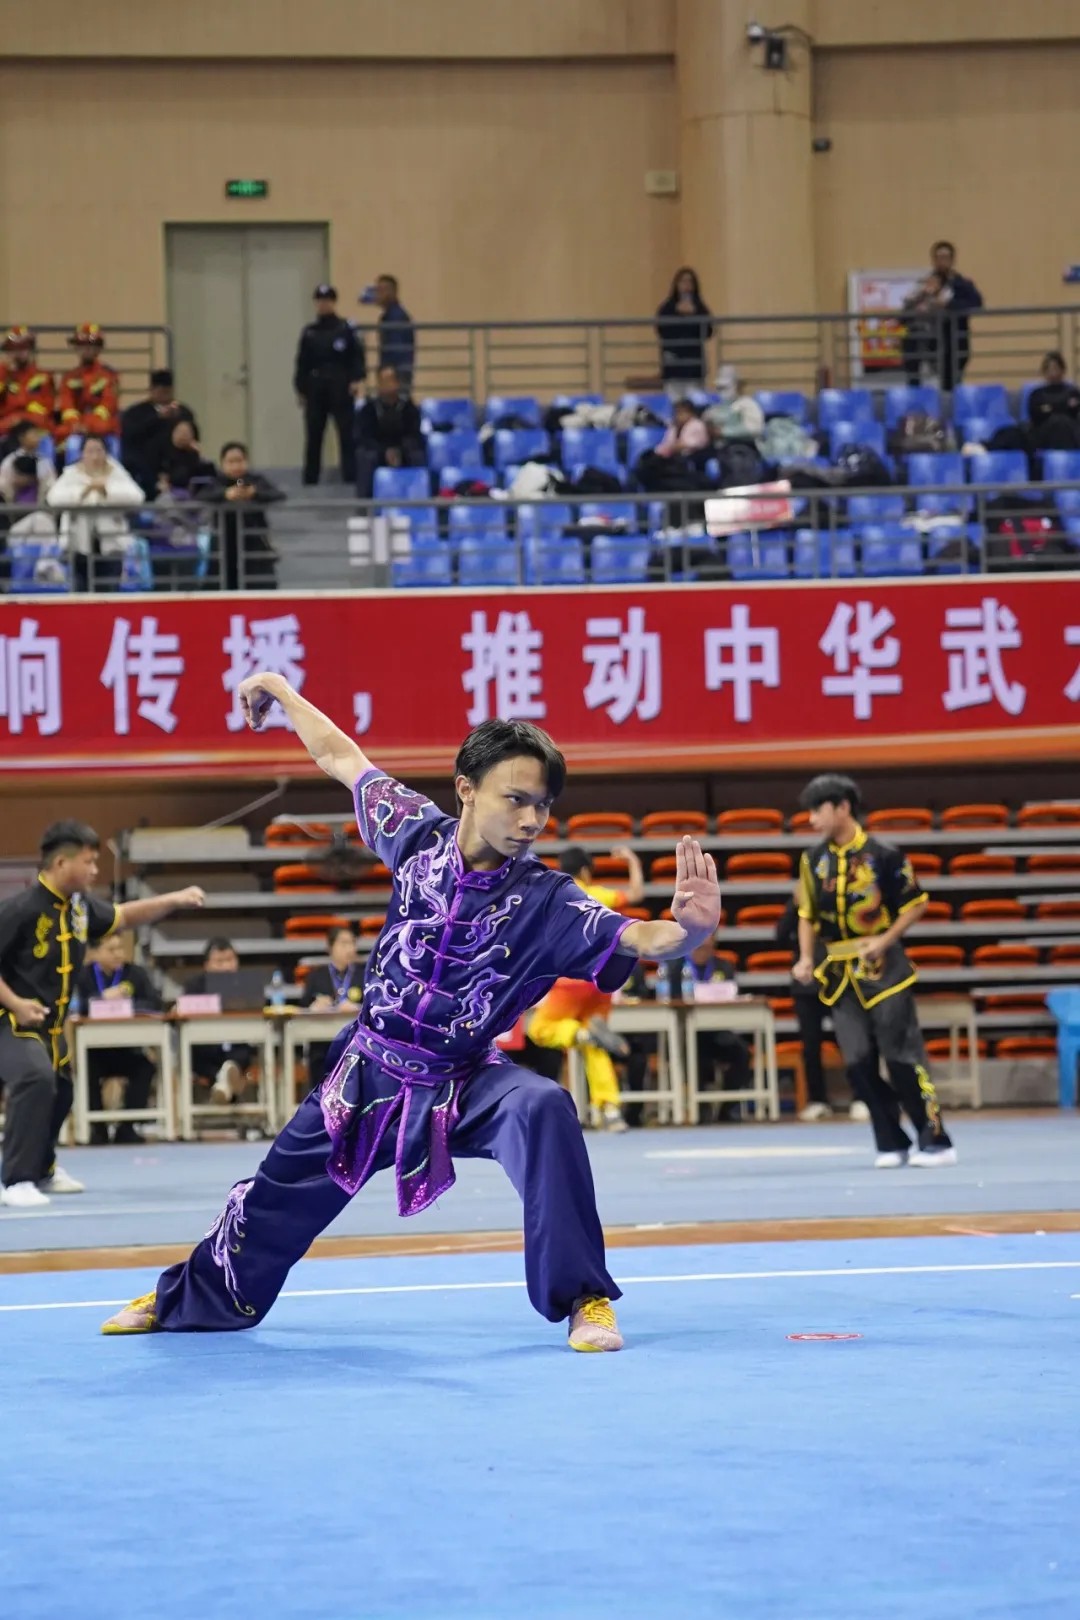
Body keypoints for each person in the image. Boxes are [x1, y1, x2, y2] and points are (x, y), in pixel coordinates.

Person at [101, 680, 721, 1348]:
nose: (530, 820)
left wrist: (687, 931)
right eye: (515, 799)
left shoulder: (550, 899)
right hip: (368, 1072)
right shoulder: (415, 834)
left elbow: (637, 938)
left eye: (542, 806)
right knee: (275, 1194)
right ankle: (193, 1294)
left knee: (542, 1107)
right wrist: (280, 691)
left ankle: (584, 1298)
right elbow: (340, 756)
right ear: (466, 789)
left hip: (465, 1081)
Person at [0, 821, 204, 1207]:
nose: (95, 870)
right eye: (89, 862)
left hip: (50, 1029)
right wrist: (16, 1003)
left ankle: (42, 1170)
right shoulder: (19, 909)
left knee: (61, 1091)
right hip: (9, 1022)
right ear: (61, 863)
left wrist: (174, 899)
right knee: (34, 1078)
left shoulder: (79, 909)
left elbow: (123, 916)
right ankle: (15, 1180)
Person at [793, 774, 956, 1168]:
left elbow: (916, 903)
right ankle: (891, 1141)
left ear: (842, 807)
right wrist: (805, 957)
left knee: (902, 1057)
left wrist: (885, 940)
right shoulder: (813, 860)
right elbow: (807, 914)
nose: (812, 819)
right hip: (839, 975)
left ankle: (935, 1140)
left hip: (886, 971)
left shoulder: (885, 854)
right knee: (856, 1063)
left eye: (818, 810)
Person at [526, 846, 645, 1132]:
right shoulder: (598, 894)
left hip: (568, 983)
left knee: (538, 1029)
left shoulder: (554, 895)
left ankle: (577, 1033)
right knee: (594, 1047)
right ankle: (610, 1109)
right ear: (585, 870)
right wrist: (632, 860)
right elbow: (636, 894)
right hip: (600, 983)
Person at [776, 895, 870, 1123]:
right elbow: (780, 936)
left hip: (840, 980)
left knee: (852, 1041)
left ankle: (862, 1096)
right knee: (810, 1045)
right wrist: (795, 905)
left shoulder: (840, 895)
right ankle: (817, 1100)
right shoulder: (800, 899)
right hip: (807, 984)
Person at [72, 931, 162, 1145]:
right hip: (94, 1051)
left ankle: (127, 1127)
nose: (118, 954)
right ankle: (98, 1129)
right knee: (86, 1070)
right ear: (94, 953)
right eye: (111, 950)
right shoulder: (83, 976)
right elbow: (76, 1006)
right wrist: (101, 999)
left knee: (145, 1067)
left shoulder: (135, 973)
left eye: (120, 949)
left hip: (128, 1049)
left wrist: (126, 1005)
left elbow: (154, 1004)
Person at [46, 433, 144, 590]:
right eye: (90, 451)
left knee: (109, 589)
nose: (95, 456)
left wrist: (106, 490)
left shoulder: (116, 471)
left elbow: (137, 497)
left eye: (99, 451)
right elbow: (53, 498)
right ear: (82, 453)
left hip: (111, 544)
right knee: (81, 590)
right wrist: (85, 491)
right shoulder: (72, 473)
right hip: (78, 544)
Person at [295, 284, 366, 486]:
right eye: (320, 301)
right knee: (314, 434)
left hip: (340, 386)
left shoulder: (345, 329)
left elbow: (357, 357)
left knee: (346, 433)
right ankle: (311, 478)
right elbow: (302, 362)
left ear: (333, 303)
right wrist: (300, 388)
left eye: (327, 301)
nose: (323, 304)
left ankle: (350, 477)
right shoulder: (310, 332)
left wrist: (356, 379)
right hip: (315, 388)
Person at [185, 937, 258, 1106]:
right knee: (199, 1056)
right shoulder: (194, 987)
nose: (226, 967)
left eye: (230, 960)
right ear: (207, 965)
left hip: (238, 1048)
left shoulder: (248, 986)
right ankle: (226, 1080)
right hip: (206, 1049)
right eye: (219, 962)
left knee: (241, 1055)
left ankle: (223, 1086)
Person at [201, 441, 282, 590]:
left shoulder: (256, 480)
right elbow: (202, 495)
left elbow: (277, 494)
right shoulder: (216, 482)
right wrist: (225, 494)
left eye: (239, 461)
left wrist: (254, 493)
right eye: (231, 462)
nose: (236, 466)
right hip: (224, 543)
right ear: (222, 464)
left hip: (254, 541)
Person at [902, 242, 983, 390]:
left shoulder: (962, 284)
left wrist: (948, 303)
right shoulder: (924, 283)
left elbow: (976, 303)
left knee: (951, 383)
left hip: (954, 340)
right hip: (927, 340)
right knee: (914, 361)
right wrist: (921, 296)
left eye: (945, 257)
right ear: (933, 260)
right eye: (938, 257)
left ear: (952, 260)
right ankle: (916, 395)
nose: (942, 261)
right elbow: (907, 308)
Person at [299, 925, 364, 1094]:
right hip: (323, 1044)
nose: (349, 948)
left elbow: (374, 1006)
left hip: (356, 1042)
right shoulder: (316, 976)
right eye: (343, 943)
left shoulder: (364, 975)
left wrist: (357, 1008)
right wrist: (314, 1006)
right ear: (330, 947)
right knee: (319, 1058)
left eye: (352, 943)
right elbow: (303, 1007)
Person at [120, 370, 199, 497]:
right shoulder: (136, 413)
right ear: (151, 390)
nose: (163, 395)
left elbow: (194, 436)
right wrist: (157, 418)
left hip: (177, 468)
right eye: (160, 391)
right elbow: (131, 434)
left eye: (167, 391)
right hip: (145, 467)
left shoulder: (183, 412)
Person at [353, 365, 426, 498]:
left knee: (417, 455)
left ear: (397, 383)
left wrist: (399, 451)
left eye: (390, 380)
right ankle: (365, 502)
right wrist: (384, 452)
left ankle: (419, 498)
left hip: (403, 452)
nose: (386, 385)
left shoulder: (409, 408)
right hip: (378, 452)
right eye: (382, 381)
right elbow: (364, 437)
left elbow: (414, 434)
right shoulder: (368, 409)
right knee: (364, 456)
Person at [56, 324, 120, 450]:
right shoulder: (69, 377)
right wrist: (75, 424)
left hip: (103, 430)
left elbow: (108, 405)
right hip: (75, 429)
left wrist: (88, 426)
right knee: (72, 445)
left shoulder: (109, 375)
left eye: (91, 345)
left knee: (115, 446)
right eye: (82, 345)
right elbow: (67, 405)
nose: (86, 349)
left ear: (98, 349)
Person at [655, 268, 713, 388]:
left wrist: (695, 313)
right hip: (673, 365)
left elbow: (708, 331)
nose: (686, 285)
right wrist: (676, 312)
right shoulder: (668, 307)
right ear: (676, 284)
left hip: (694, 365)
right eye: (683, 281)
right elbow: (661, 329)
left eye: (690, 281)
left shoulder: (700, 307)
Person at [0, 327, 55, 440]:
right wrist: (4, 373)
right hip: (6, 430)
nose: (18, 352)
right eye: (13, 348)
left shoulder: (43, 377)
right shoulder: (3, 374)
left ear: (31, 349)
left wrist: (19, 418)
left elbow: (45, 410)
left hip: (36, 428)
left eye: (23, 347)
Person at [1026, 351, 1080, 450]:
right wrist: (1064, 406)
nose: (1052, 373)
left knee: (1063, 423)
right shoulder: (1037, 394)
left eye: (1055, 368)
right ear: (1044, 372)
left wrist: (1049, 407)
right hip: (1045, 434)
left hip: (1069, 431)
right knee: (1056, 422)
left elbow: (1074, 411)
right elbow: (1035, 414)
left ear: (1063, 370)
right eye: (1049, 369)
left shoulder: (1073, 392)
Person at [370, 274, 416, 388]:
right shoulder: (389, 316)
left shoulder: (396, 317)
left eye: (380, 291)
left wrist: (389, 370)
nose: (376, 295)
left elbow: (397, 347)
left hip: (395, 375)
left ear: (390, 292)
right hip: (395, 372)